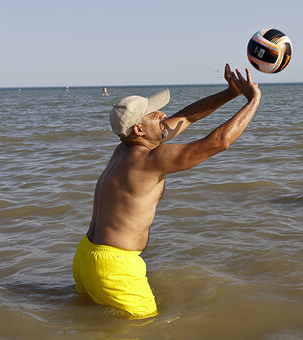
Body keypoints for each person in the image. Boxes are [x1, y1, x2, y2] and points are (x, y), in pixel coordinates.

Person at [72, 64, 261, 318]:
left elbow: (188, 116)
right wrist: (253, 100)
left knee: (93, 325)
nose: (162, 114)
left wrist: (231, 93)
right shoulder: (152, 159)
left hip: (86, 256)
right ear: (138, 130)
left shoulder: (123, 150)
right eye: (153, 114)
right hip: (114, 267)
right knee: (145, 327)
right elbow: (219, 142)